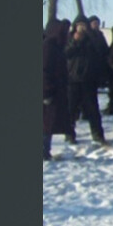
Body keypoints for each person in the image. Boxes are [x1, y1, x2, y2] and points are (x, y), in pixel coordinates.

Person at [64, 15, 107, 145]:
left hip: (89, 79)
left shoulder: (93, 38)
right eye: (79, 25)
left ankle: (97, 134)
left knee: (93, 109)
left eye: (84, 25)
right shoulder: (70, 38)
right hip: (73, 79)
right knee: (71, 110)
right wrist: (75, 41)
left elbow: (101, 52)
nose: (81, 28)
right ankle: (69, 134)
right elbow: (66, 53)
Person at [43, 19, 71, 160]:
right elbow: (44, 71)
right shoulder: (48, 47)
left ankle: (45, 150)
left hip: (55, 90)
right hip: (49, 91)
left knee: (49, 123)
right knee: (46, 123)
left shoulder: (56, 46)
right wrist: (47, 91)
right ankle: (43, 151)